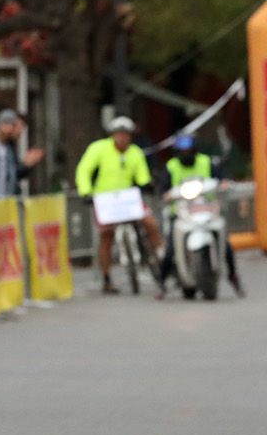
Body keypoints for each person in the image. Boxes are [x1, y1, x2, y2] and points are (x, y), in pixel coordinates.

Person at [75, 116, 165, 295]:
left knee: (150, 222)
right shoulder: (99, 148)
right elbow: (84, 170)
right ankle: (107, 277)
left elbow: (142, 176)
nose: (122, 138)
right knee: (106, 235)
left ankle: (161, 257)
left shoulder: (135, 152)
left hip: (128, 198)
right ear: (113, 135)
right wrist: (85, 191)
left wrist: (147, 184)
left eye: (126, 135)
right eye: (119, 134)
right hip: (104, 199)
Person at [158, 133, 244, 298]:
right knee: (170, 250)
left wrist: (224, 183)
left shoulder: (206, 162)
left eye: (189, 151)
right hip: (181, 213)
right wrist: (166, 195)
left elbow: (222, 178)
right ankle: (162, 283)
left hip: (207, 210)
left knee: (226, 246)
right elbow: (163, 190)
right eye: (183, 152)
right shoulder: (171, 166)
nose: (186, 155)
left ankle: (233, 276)